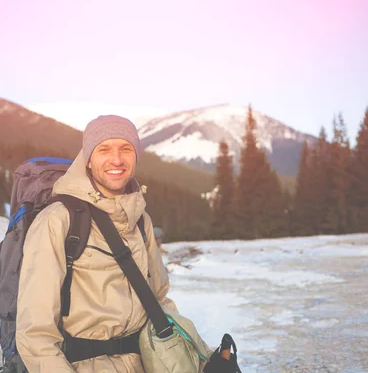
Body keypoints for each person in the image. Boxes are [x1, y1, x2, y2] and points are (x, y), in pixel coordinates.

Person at [15, 115, 233, 372]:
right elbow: (36, 333)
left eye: (125, 149)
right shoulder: (58, 220)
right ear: (88, 158)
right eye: (104, 149)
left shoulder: (140, 220)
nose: (116, 160)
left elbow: (159, 303)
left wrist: (205, 360)